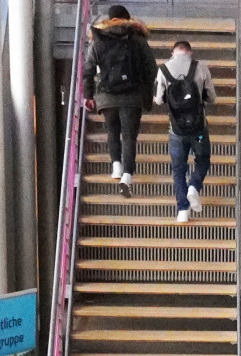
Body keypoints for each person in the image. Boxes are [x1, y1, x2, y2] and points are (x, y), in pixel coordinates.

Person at [81, 4, 154, 197]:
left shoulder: (98, 40)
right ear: (127, 19)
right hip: (133, 95)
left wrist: (88, 95)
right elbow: (151, 69)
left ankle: (116, 166)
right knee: (129, 136)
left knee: (113, 132)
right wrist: (147, 95)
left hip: (107, 95)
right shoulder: (137, 39)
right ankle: (127, 176)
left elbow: (88, 70)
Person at [154, 39, 217, 222]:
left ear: (173, 53)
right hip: (198, 127)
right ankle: (194, 186)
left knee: (178, 169)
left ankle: (183, 210)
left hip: (176, 131)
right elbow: (212, 97)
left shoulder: (164, 69)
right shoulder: (201, 67)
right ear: (190, 52)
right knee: (203, 160)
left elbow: (159, 100)